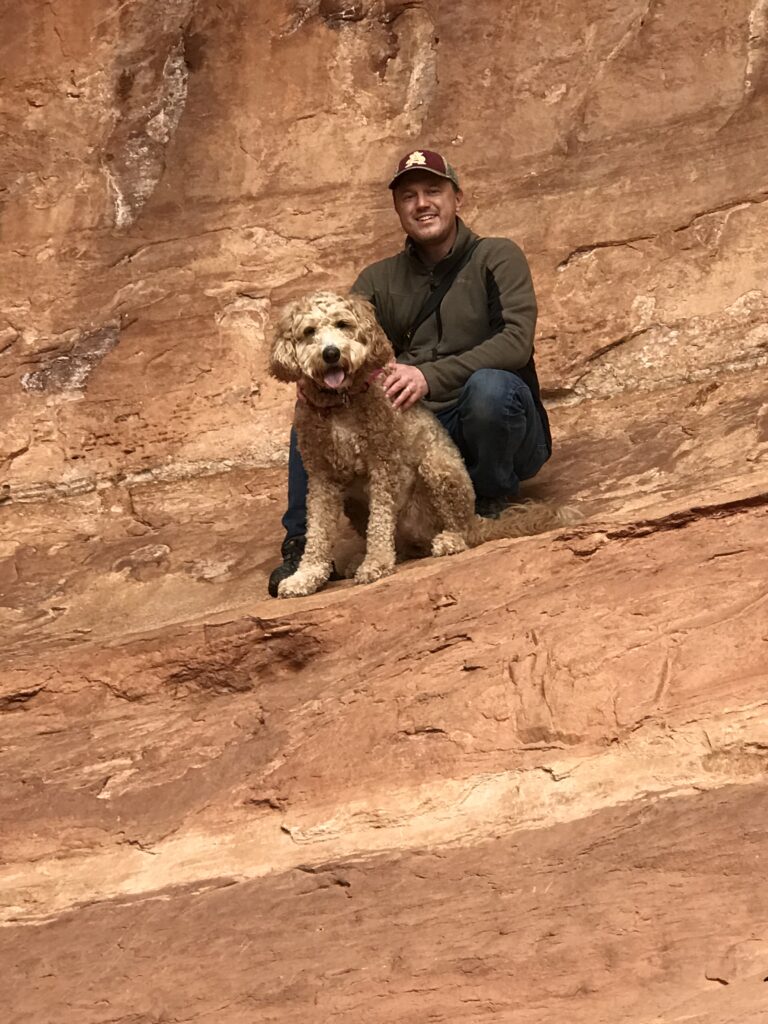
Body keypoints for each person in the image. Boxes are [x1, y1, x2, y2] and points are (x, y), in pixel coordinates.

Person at [268, 148, 552, 597]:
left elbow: (516, 343)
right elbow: (344, 335)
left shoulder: (497, 256)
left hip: (495, 426)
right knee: (316, 412)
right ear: (398, 208)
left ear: (457, 197)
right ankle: (302, 542)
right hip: (417, 430)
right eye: (408, 196)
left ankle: (489, 498)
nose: (422, 204)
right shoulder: (378, 279)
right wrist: (314, 383)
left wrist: (428, 376)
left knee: (490, 389)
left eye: (433, 191)